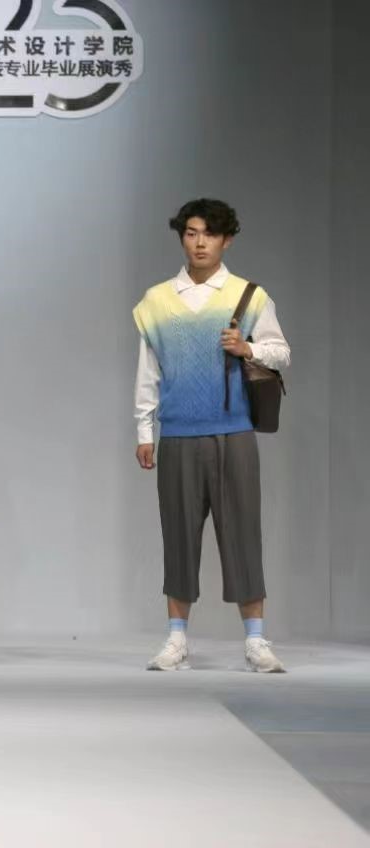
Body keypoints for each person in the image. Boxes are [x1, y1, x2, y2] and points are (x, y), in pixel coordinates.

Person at [133, 199, 291, 672]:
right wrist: (144, 429)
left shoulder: (249, 296)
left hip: (234, 433)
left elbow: (282, 352)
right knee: (178, 535)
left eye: (210, 234)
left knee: (243, 533)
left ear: (227, 240)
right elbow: (148, 372)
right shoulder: (157, 301)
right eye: (191, 233)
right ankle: (176, 639)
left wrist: (248, 348)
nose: (199, 243)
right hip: (178, 433)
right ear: (182, 237)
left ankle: (256, 641)